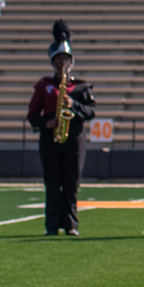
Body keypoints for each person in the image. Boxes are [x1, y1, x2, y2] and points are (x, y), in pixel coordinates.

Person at [29, 20, 96, 237]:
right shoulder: (44, 85)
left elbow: (91, 112)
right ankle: (51, 225)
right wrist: (46, 123)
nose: (62, 63)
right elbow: (31, 115)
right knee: (52, 182)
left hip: (74, 138)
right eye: (58, 59)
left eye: (66, 59)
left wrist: (73, 105)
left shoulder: (81, 87)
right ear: (52, 61)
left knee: (71, 183)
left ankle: (70, 224)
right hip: (50, 138)